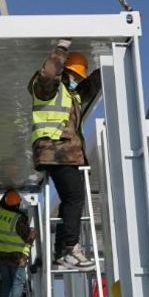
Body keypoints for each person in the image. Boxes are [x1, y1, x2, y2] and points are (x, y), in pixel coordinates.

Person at [27, 39, 101, 269]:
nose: (78, 81)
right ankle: (70, 248)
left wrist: (108, 65)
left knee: (71, 199)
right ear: (65, 72)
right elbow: (49, 73)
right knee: (74, 198)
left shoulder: (72, 95)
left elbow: (91, 86)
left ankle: (62, 253)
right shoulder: (47, 89)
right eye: (75, 76)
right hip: (55, 152)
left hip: (65, 154)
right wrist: (61, 49)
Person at [0, 190, 35, 297]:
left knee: (6, 281)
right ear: (17, 205)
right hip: (16, 256)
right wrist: (32, 233)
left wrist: (6, 195)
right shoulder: (18, 219)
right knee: (17, 282)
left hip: (1, 255)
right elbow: (28, 237)